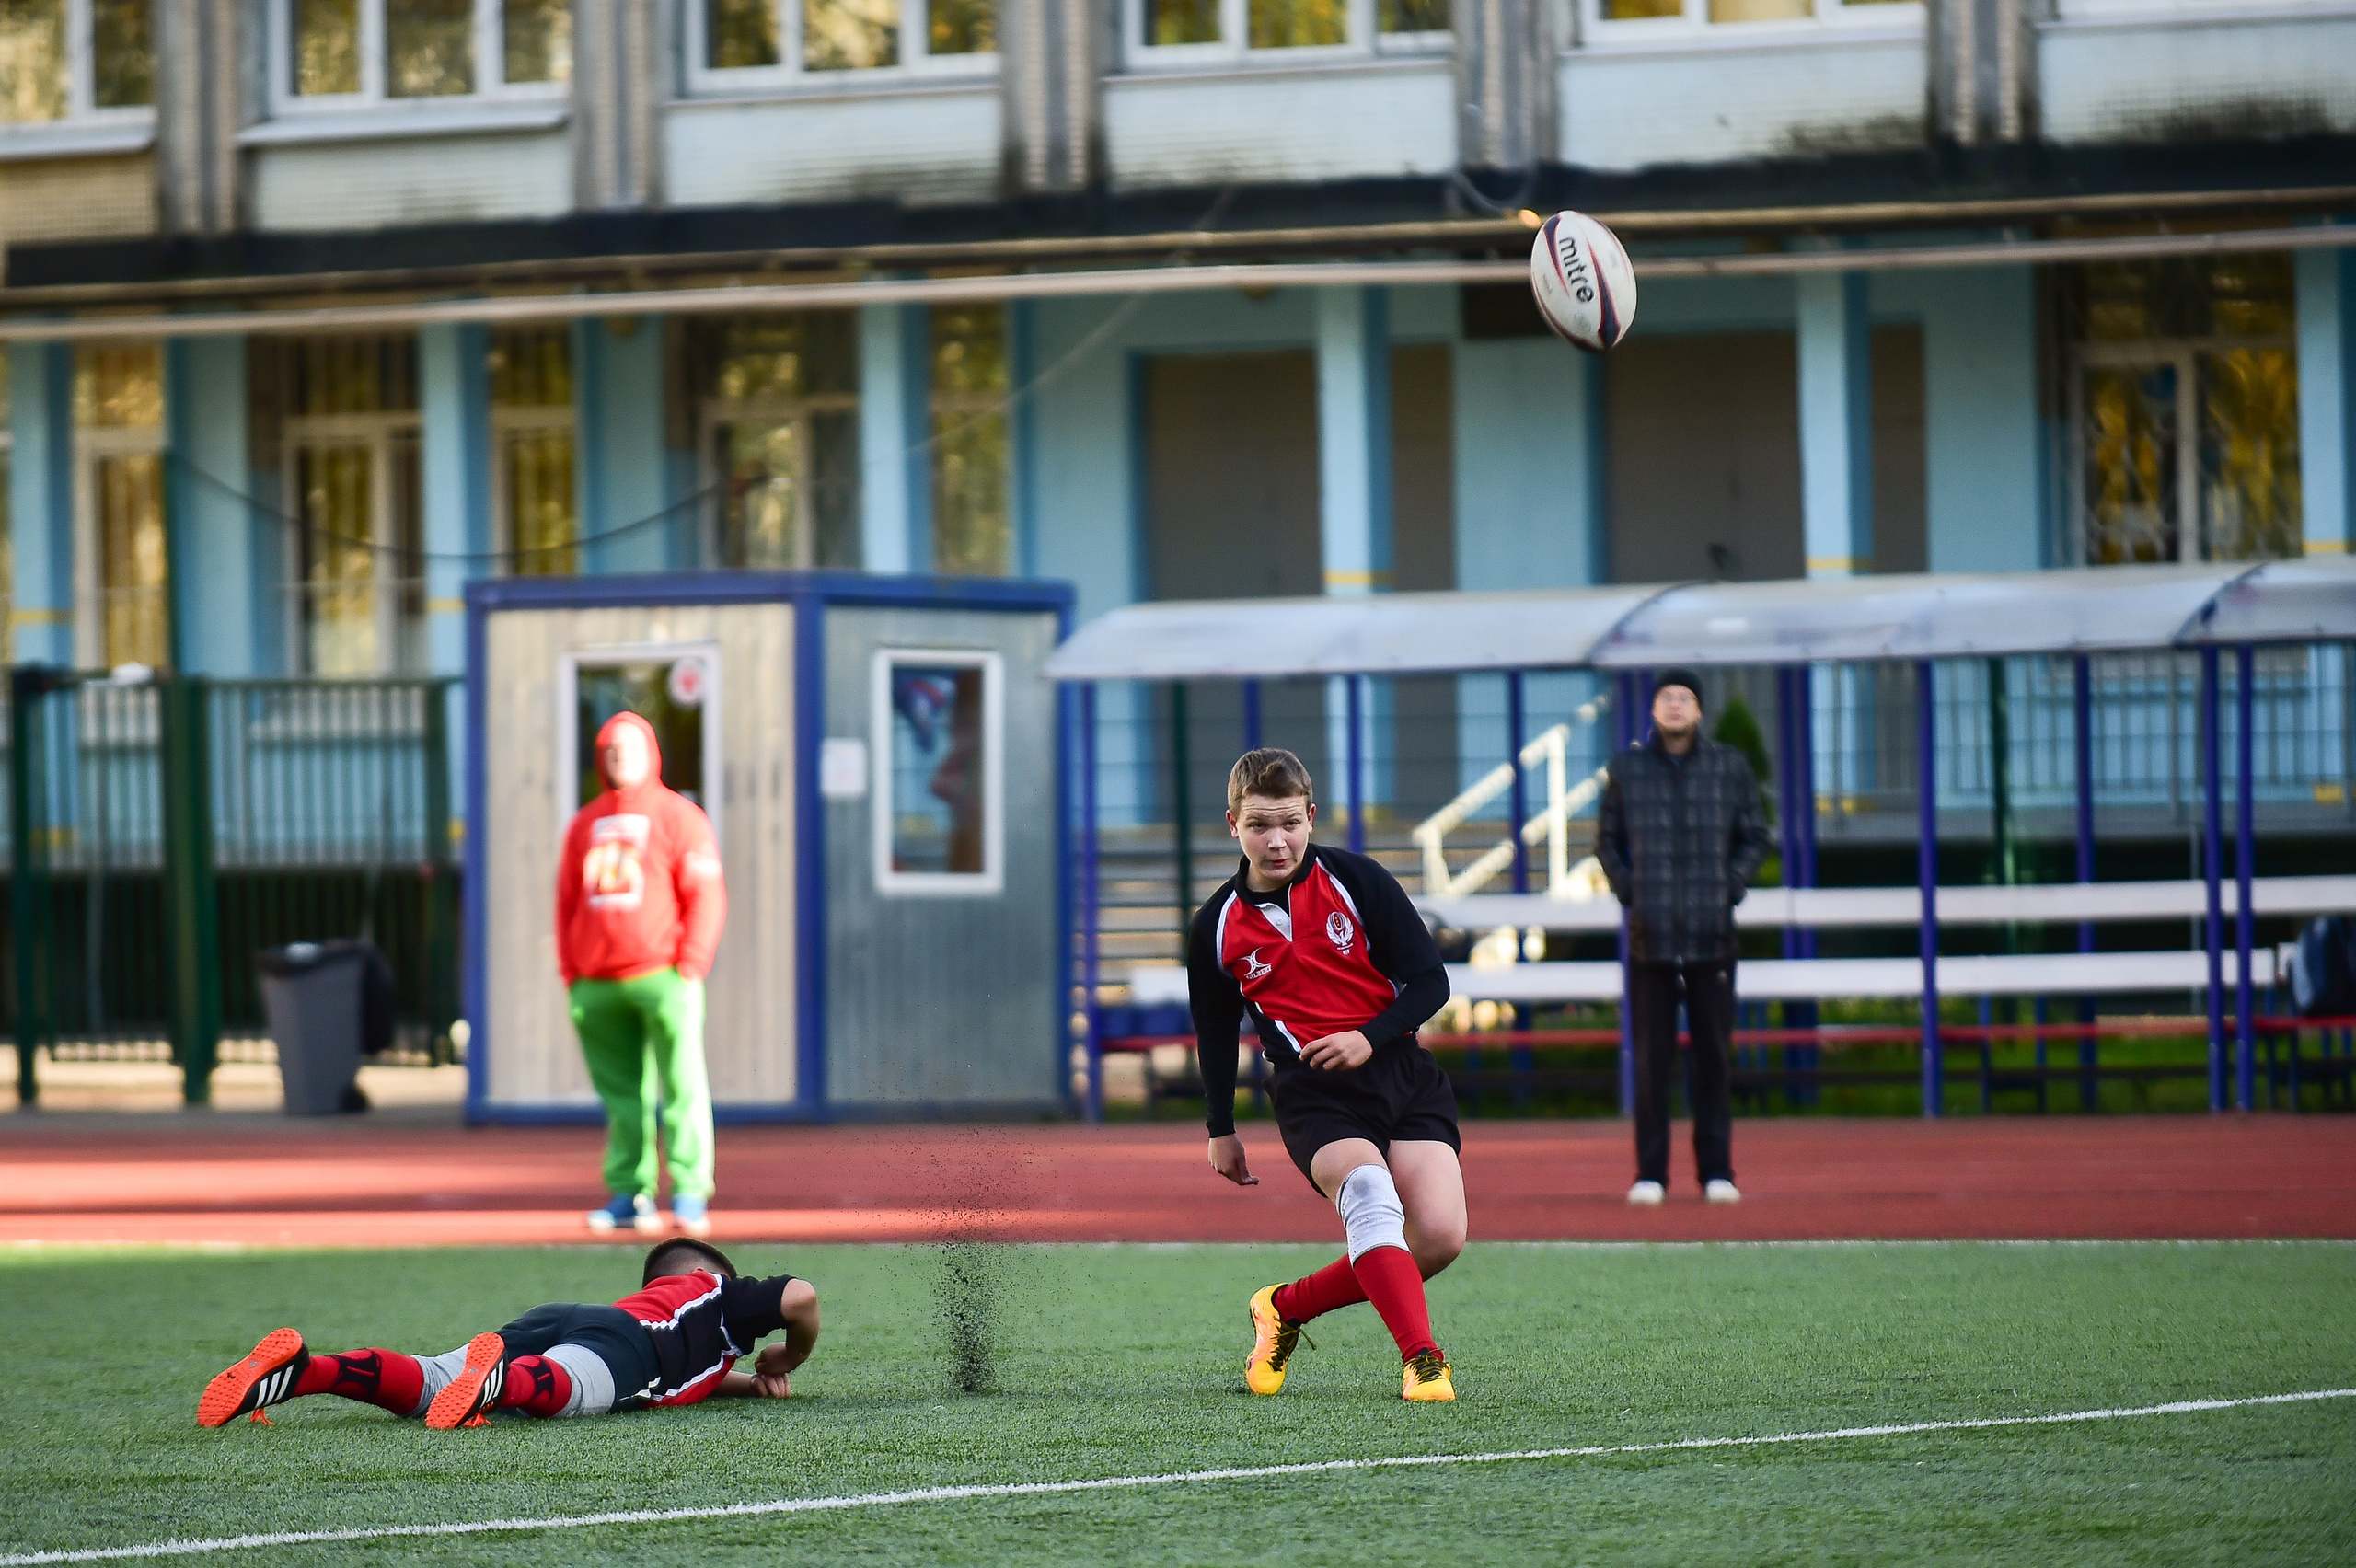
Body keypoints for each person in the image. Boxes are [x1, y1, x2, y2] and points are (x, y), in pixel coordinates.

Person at [1189, 748, 1462, 1403]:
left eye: (1289, 823)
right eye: (1259, 825)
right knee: (1369, 1196)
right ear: (1233, 824)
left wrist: (1369, 1037)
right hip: (1312, 1093)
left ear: (1311, 817)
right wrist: (1220, 1129)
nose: (1276, 841)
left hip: (1402, 1073)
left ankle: (1283, 1307)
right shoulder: (1215, 925)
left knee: (1439, 1237)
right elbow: (1215, 1032)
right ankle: (1424, 1361)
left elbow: (1431, 982)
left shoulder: (1357, 879)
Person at [196, 1239, 818, 1430]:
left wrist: (750, 1383)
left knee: (434, 1379)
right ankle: (498, 1384)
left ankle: (307, 1371)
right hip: (628, 1346)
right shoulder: (721, 1296)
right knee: (571, 1386)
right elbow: (802, 1297)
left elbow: (695, 1375)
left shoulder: (687, 1330)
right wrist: (788, 1355)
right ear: (713, 1274)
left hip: (566, 1318)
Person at [1595, 668, 1773, 1207]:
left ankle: (1717, 1171)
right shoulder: (1627, 769)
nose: (1675, 705)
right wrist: (1632, 890)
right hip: (1649, 938)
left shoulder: (1729, 767)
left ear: (1698, 710)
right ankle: (1651, 1174)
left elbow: (1755, 836)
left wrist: (1729, 886)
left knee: (1713, 1059)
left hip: (1711, 936)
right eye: (1666, 697)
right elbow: (1608, 841)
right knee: (1651, 1063)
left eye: (1685, 697)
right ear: (1653, 709)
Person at [558, 711, 728, 1237]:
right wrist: (572, 972)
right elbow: (566, 900)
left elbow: (706, 893)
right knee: (622, 1097)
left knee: (682, 1085)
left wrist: (691, 963)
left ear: (651, 753)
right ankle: (630, 1193)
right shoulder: (585, 823)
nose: (619, 758)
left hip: (664, 976)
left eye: (629, 748)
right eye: (610, 750)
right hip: (597, 983)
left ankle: (690, 1192)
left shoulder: (681, 816)